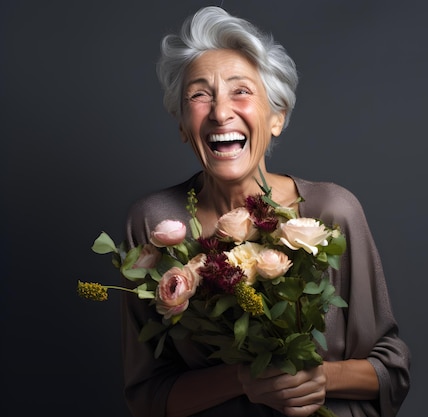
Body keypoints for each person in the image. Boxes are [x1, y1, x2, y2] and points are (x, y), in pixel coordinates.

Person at [121, 6, 411, 417]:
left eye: (241, 91)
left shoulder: (331, 212)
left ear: (278, 117)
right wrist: (243, 379)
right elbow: (148, 396)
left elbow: (392, 371)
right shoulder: (154, 223)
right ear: (185, 127)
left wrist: (320, 378)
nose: (221, 112)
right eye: (199, 95)